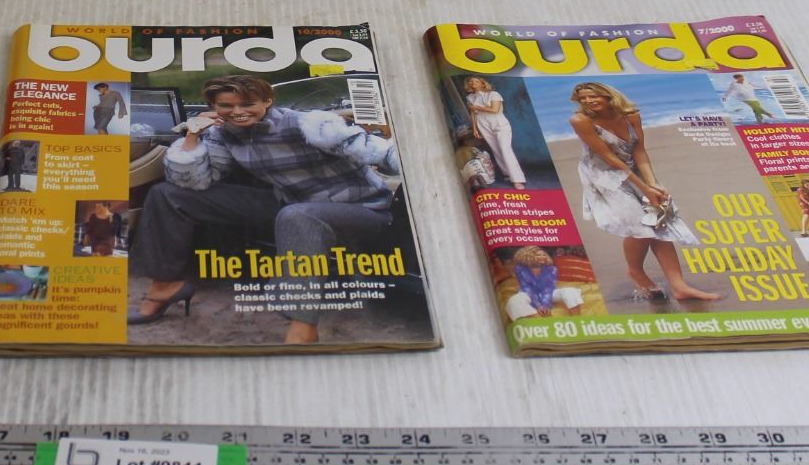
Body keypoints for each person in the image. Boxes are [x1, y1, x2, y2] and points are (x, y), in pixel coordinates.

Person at [128, 74, 399, 344]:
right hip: (290, 203)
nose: (238, 112)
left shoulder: (311, 125)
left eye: (248, 104)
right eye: (226, 106)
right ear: (213, 107)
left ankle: (303, 327)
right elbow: (194, 181)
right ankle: (164, 286)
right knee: (169, 194)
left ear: (267, 101)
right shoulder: (222, 134)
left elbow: (384, 153)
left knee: (298, 215)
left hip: (361, 210)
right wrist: (193, 135)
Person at [568, 81, 720, 303]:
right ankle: (636, 271)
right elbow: (607, 156)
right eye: (583, 99)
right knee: (640, 224)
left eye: (594, 96)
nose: (588, 101)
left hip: (632, 167)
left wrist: (653, 184)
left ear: (608, 95)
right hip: (603, 175)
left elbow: (639, 150)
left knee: (659, 220)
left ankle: (679, 287)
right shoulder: (580, 120)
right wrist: (645, 188)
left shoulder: (630, 116)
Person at [461, 76, 526, 189]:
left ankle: (517, 179)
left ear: (482, 83)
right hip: (482, 124)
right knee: (496, 149)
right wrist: (475, 128)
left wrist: (477, 107)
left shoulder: (493, 94)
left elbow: (494, 110)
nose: (473, 83)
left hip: (499, 123)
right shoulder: (470, 97)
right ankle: (507, 173)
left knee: (505, 149)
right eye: (471, 81)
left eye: (476, 81)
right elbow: (473, 113)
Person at [510, 246, 583, 317]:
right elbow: (527, 288)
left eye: (543, 255)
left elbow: (548, 288)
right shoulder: (520, 269)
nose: (543, 257)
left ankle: (576, 318)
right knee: (514, 301)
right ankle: (540, 319)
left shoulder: (552, 269)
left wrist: (546, 306)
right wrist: (539, 306)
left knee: (570, 291)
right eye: (539, 256)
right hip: (528, 294)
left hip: (549, 294)